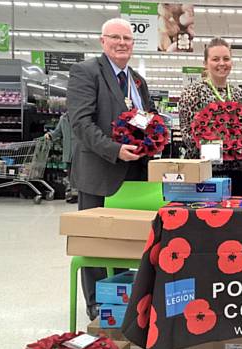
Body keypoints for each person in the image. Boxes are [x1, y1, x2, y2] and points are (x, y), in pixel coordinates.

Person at [67, 18, 156, 319]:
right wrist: (115, 150)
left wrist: (153, 140)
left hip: (133, 175)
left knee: (125, 243)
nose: (121, 43)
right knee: (95, 243)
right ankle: (96, 307)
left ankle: (121, 301)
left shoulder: (137, 80)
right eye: (115, 38)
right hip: (98, 174)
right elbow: (80, 123)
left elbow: (147, 117)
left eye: (127, 39)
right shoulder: (86, 72)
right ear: (102, 41)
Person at [178, 37, 242, 196]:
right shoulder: (192, 93)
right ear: (205, 63)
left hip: (239, 170)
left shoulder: (239, 93)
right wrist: (221, 148)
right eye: (215, 59)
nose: (222, 63)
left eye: (226, 58)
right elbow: (187, 134)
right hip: (205, 171)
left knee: (237, 217)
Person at [44, 113, 77, 203]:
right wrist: (50, 135)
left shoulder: (80, 117)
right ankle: (73, 194)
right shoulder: (63, 118)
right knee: (70, 174)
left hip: (80, 151)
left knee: (79, 173)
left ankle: (78, 194)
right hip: (68, 151)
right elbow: (57, 132)